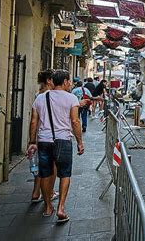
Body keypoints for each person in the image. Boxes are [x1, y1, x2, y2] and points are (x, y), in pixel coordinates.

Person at [27, 70, 84, 223]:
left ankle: (47, 207)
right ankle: (61, 208)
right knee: (65, 174)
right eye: (69, 81)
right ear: (65, 81)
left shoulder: (40, 97)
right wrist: (80, 142)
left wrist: (32, 142)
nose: (70, 84)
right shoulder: (71, 98)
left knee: (44, 174)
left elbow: (33, 122)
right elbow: (75, 122)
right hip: (63, 140)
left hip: (44, 141)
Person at [30, 69, 59, 203]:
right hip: (49, 135)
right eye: (54, 79)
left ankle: (36, 192)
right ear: (48, 80)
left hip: (39, 135)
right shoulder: (50, 95)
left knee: (42, 166)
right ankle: (50, 192)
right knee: (51, 166)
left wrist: (32, 140)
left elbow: (34, 120)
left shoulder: (38, 94)